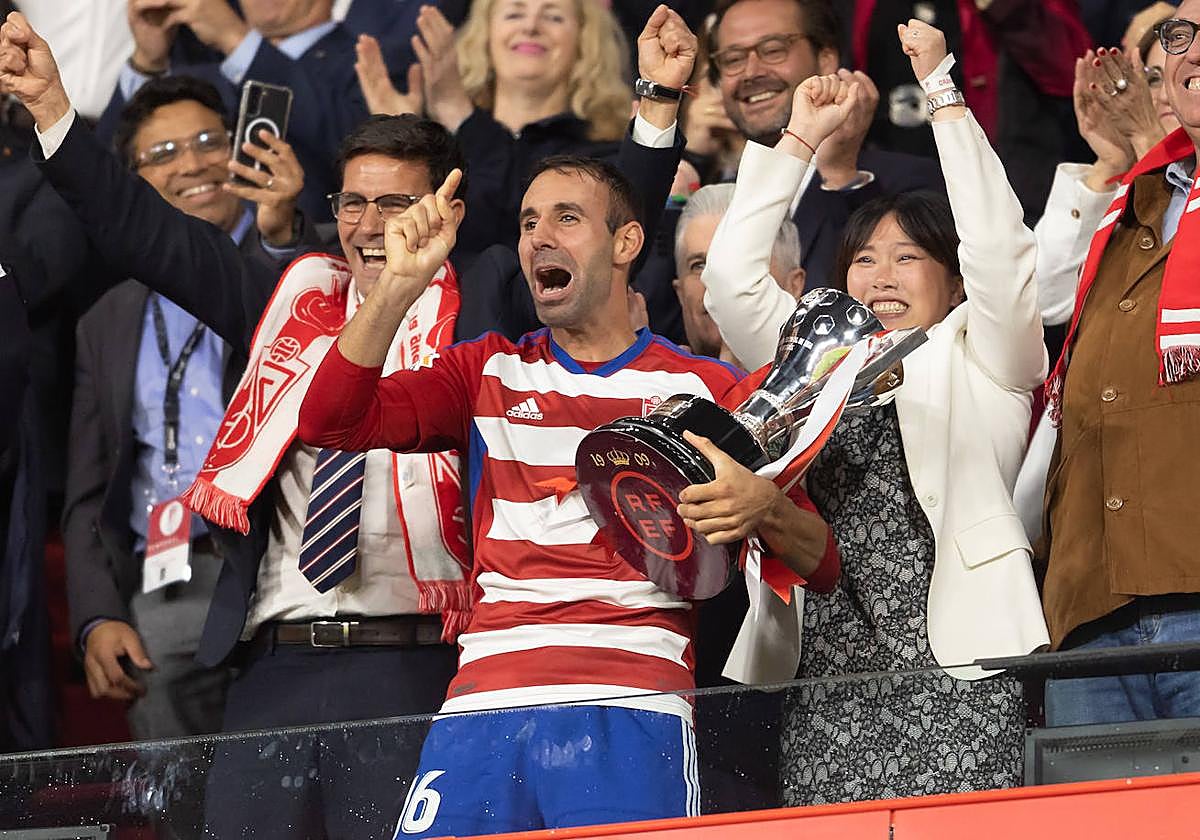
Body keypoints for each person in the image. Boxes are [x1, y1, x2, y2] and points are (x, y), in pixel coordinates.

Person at [296, 142, 838, 835]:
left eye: (566, 218)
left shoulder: (705, 390)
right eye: (526, 223)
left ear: (626, 242)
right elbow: (330, 422)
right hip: (481, 704)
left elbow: (821, 560)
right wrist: (400, 285)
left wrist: (761, 506)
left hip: (631, 702)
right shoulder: (484, 371)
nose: (539, 237)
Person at [712, 21, 1050, 804]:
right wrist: (799, 136)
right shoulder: (812, 358)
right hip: (828, 674)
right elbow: (730, 281)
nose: (880, 275)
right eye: (863, 258)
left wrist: (941, 93)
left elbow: (1001, 253)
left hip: (960, 669)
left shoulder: (987, 357)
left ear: (953, 281)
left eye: (907, 257)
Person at [62, 75, 306, 740]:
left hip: (284, 563)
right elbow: (89, 491)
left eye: (207, 142)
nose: (192, 163)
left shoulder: (293, 263)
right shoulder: (104, 320)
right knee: (183, 802)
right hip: (169, 581)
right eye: (162, 154)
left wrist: (281, 234)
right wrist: (95, 614)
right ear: (131, 180)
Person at [1037, 1, 1200, 727]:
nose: (1190, 50)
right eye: (1180, 35)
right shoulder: (1129, 208)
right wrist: (1117, 161)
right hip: (1090, 611)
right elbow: (1034, 305)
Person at [1013, 29, 1181, 539]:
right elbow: (1042, 300)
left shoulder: (1175, 185)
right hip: (1093, 512)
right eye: (1148, 79)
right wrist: (1111, 162)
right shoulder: (1120, 194)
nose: (1159, 95)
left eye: (1179, 78)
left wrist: (1154, 147)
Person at [354, 0, 634, 258]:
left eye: (554, 17)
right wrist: (400, 147)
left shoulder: (606, 157)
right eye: (514, 13)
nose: (530, 27)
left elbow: (514, 243)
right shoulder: (441, 144)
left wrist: (458, 112)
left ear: (585, 42)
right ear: (484, 35)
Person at [705, 0, 945, 291]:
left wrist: (840, 175)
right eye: (732, 59)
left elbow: (880, 300)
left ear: (827, 58)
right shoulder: (711, 190)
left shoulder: (910, 182)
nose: (751, 71)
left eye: (773, 50)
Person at [98, 0, 367, 221]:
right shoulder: (198, 59)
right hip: (171, 257)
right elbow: (96, 177)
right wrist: (148, 63)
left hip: (293, 258)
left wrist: (236, 39)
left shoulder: (372, 59)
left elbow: (354, 152)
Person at [672, 182, 805, 365]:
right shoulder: (648, 389)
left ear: (794, 286)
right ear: (680, 292)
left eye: (739, 264)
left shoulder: (834, 386)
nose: (715, 281)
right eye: (699, 265)